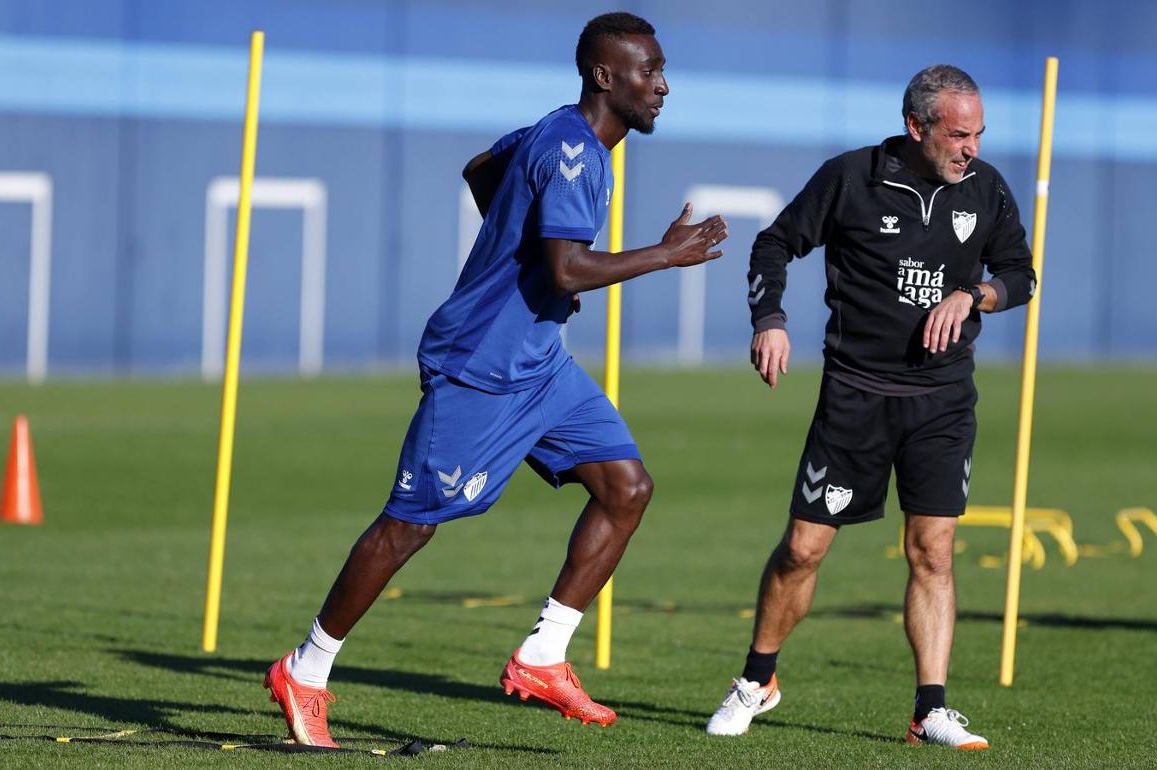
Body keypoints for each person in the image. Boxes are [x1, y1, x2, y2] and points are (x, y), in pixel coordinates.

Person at [263, 12, 730, 747]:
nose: (663, 86)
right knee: (409, 525)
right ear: (604, 76)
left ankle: (543, 656)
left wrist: (521, 251)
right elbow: (568, 266)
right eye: (650, 72)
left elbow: (481, 169)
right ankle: (307, 668)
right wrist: (664, 256)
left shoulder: (557, 132)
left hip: (539, 363)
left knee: (626, 488)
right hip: (480, 365)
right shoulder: (573, 151)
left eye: (664, 70)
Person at [705, 65, 1035, 750]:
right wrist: (769, 317)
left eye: (978, 133)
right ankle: (756, 681)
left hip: (942, 400)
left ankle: (929, 709)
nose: (971, 147)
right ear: (917, 128)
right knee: (802, 550)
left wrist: (974, 296)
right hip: (855, 396)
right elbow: (775, 242)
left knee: (933, 552)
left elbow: (1019, 275)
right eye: (958, 134)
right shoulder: (851, 177)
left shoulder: (987, 188)